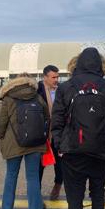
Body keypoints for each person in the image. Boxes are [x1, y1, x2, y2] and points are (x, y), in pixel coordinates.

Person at [52, 48, 105, 209]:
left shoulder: (65, 88)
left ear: (77, 64)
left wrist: (60, 146)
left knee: (74, 200)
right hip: (99, 153)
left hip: (72, 153)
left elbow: (56, 122)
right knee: (98, 196)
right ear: (101, 65)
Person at [0, 73, 50, 209]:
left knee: (11, 175)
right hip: (35, 143)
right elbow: (46, 117)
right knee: (32, 177)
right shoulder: (37, 97)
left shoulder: (8, 98)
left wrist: (1, 136)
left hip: (13, 144)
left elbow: (2, 122)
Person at [37, 65, 63, 200]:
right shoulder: (37, 91)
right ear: (45, 77)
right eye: (53, 77)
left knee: (60, 164)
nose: (56, 80)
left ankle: (57, 186)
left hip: (58, 134)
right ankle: (37, 190)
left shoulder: (62, 91)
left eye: (57, 77)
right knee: (40, 165)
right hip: (43, 135)